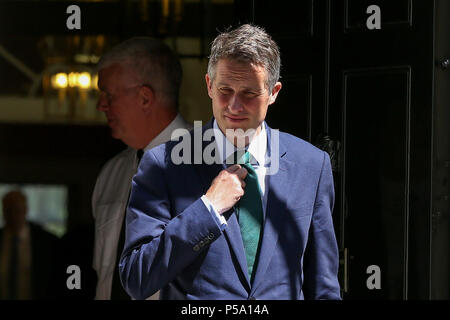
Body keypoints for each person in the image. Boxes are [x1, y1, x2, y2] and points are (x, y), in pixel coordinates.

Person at [119, 24, 341, 300]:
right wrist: (207, 210)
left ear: (273, 92)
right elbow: (136, 278)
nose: (234, 106)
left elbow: (324, 287)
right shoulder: (162, 164)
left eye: (249, 94)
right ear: (209, 86)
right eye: (225, 90)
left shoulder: (311, 166)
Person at [92, 37, 192, 300]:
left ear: (145, 97)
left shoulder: (213, 169)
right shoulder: (110, 174)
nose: (100, 105)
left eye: (109, 95)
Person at [0, 190, 58, 299]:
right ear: (3, 211)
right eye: (8, 211)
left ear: (26, 210)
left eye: (17, 210)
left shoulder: (47, 242)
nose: (13, 216)